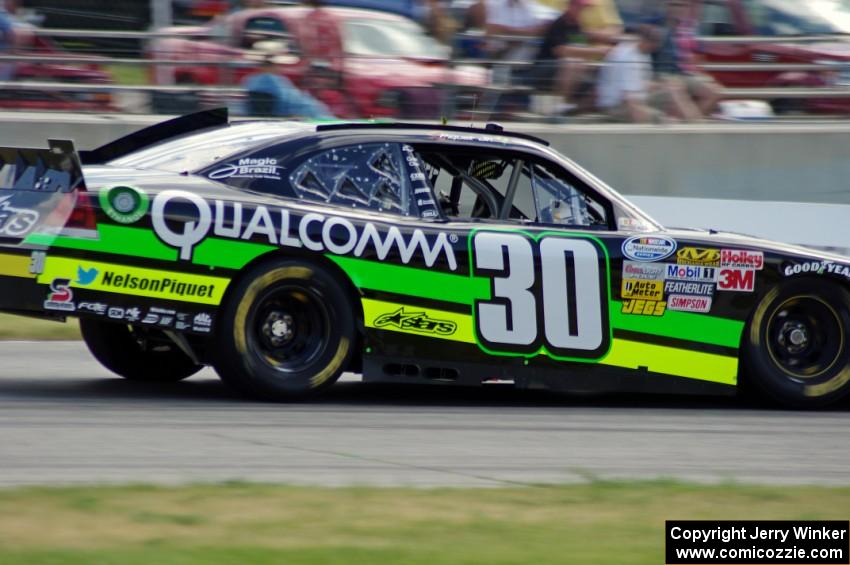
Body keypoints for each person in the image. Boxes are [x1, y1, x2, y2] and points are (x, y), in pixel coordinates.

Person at [653, 0, 722, 118]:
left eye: (682, 5)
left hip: (683, 73)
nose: (678, 9)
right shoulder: (655, 24)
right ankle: (692, 127)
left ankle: (688, 125)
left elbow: (699, 55)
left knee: (715, 92)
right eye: (673, 4)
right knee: (678, 93)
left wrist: (699, 74)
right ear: (666, 6)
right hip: (662, 74)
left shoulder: (692, 27)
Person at [596, 24, 665, 122]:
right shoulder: (627, 57)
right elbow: (630, 100)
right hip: (616, 106)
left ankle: (691, 125)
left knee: (673, 92)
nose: (656, 46)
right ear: (643, 40)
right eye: (653, 42)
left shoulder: (644, 53)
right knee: (660, 119)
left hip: (637, 99)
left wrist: (662, 86)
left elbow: (641, 83)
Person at [242, 55, 334, 119]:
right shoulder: (271, 80)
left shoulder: (251, 80)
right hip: (307, 114)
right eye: (277, 66)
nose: (279, 68)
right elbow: (291, 99)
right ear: (271, 67)